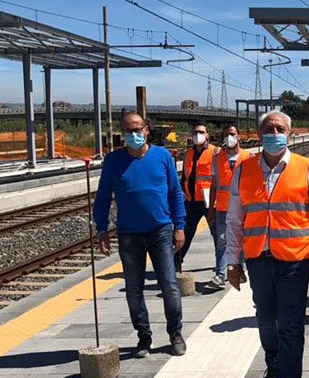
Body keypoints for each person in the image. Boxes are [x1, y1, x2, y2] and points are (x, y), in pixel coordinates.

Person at [225, 110, 309, 378]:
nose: (275, 132)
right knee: (265, 319)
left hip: (294, 262)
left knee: (291, 327)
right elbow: (234, 219)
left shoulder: (305, 167)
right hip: (258, 259)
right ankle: (272, 359)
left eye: (280, 128)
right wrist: (233, 260)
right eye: (269, 128)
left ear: (289, 133)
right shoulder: (243, 170)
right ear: (259, 135)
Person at [94, 113, 187, 358]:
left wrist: (180, 226)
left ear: (146, 130)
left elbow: (175, 193)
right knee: (134, 289)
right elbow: (103, 196)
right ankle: (143, 337)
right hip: (129, 234)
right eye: (127, 130)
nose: (132, 134)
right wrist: (101, 229)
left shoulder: (163, 156)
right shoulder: (113, 161)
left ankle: (175, 333)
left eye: (137, 129)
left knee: (169, 285)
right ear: (121, 133)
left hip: (161, 231)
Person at [207, 123, 251, 288]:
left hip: (244, 208)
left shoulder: (248, 158)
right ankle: (220, 275)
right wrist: (210, 209)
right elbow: (213, 185)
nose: (229, 137)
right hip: (223, 209)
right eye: (226, 134)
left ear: (238, 136)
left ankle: (241, 268)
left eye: (232, 134)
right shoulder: (217, 159)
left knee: (242, 240)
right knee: (222, 242)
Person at [179, 122, 217, 263]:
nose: (198, 135)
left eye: (201, 132)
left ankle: (221, 267)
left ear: (207, 135)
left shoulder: (216, 152)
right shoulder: (188, 154)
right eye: (195, 132)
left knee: (217, 235)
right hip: (191, 202)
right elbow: (185, 177)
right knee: (183, 234)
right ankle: (176, 264)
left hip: (210, 203)